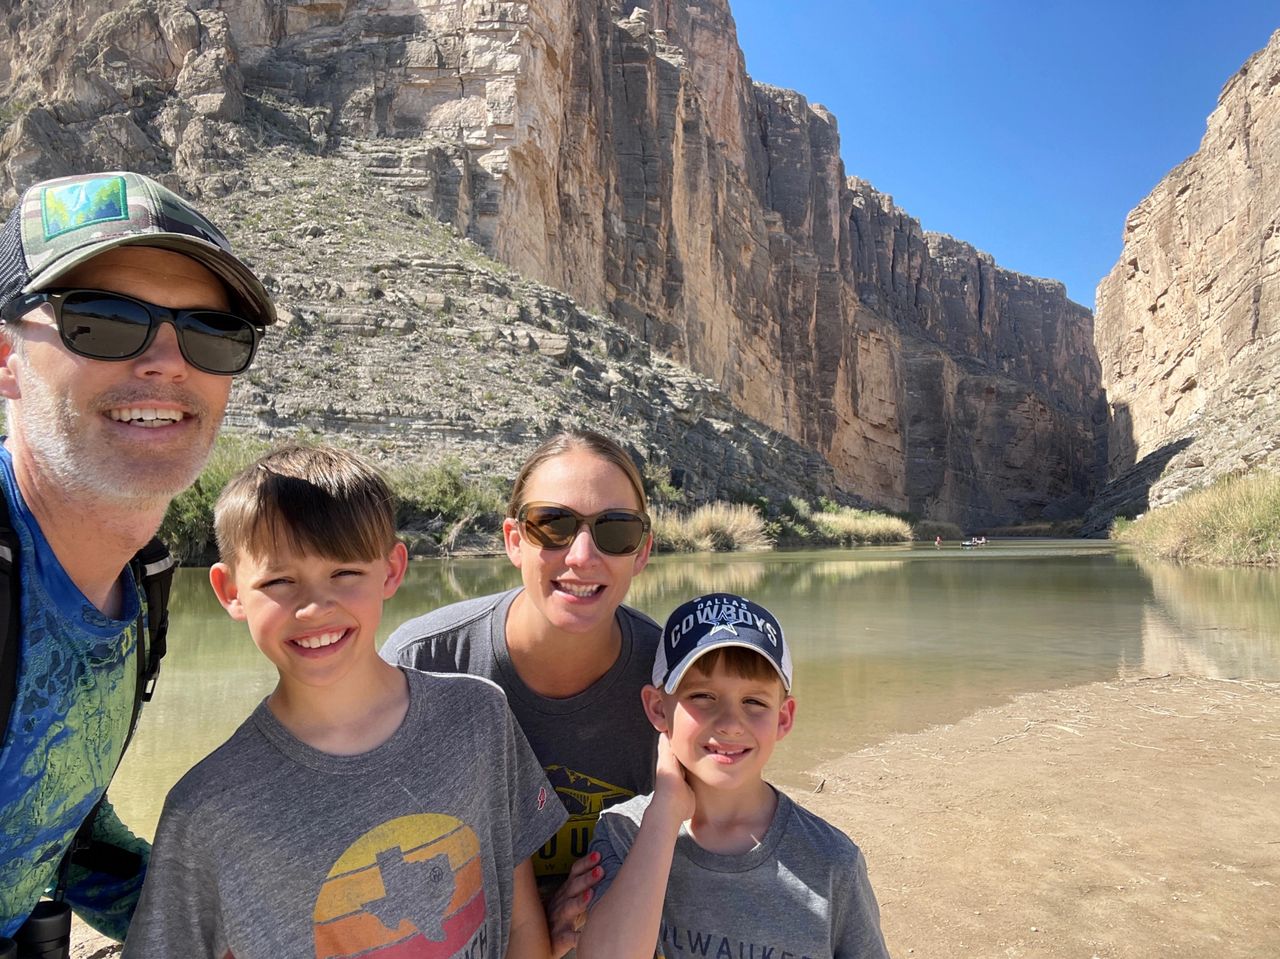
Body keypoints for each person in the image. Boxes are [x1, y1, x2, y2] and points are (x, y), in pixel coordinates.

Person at [123, 445, 566, 958]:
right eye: (279, 581)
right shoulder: (207, 810)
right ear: (229, 591)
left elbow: (519, 921)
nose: (314, 607)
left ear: (393, 570)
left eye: (345, 573)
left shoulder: (478, 717)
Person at [0, 171, 276, 942]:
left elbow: (64, 830)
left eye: (210, 333)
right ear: (6, 357)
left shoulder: (140, 580)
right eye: (103, 321)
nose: (165, 360)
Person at [382, 429, 659, 952]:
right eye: (552, 525)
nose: (581, 555)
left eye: (615, 531)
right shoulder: (423, 663)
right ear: (513, 539)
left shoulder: (670, 678)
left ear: (641, 551)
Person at [578, 593, 891, 959]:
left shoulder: (832, 860)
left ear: (784, 718)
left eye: (754, 702)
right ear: (658, 708)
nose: (729, 724)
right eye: (703, 696)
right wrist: (663, 815)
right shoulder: (623, 833)